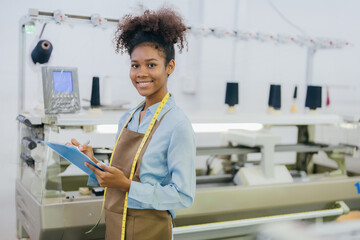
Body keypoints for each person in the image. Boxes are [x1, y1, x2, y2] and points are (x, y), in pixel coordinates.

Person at [68, 6, 196, 240]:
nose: (141, 73)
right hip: (117, 223)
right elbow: (122, 174)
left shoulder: (177, 124)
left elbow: (183, 196)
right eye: (135, 65)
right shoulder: (127, 117)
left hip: (151, 229)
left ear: (169, 67)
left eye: (151, 64)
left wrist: (127, 186)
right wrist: (93, 162)